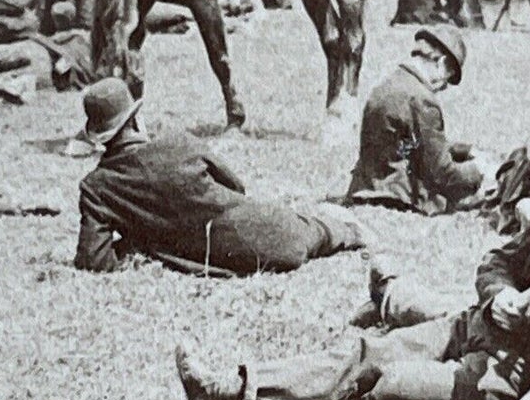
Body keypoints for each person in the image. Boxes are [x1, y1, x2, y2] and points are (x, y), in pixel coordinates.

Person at [176, 92, 530, 400]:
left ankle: (396, 373)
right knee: (368, 353)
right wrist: (502, 294)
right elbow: (497, 261)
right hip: (482, 326)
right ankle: (235, 391)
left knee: (395, 387)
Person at [73, 78, 363, 275]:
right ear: (136, 120)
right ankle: (348, 227)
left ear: (100, 137)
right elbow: (236, 186)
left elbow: (94, 260)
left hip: (229, 261)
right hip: (276, 233)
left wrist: (138, 238)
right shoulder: (179, 142)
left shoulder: (97, 187)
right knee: (329, 229)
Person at [343, 26, 483, 215]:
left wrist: (464, 150)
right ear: (441, 63)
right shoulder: (422, 99)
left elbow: (408, 143)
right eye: (446, 80)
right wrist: (477, 171)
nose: (443, 88)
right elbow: (442, 173)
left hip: (366, 188)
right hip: (398, 198)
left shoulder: (389, 83)